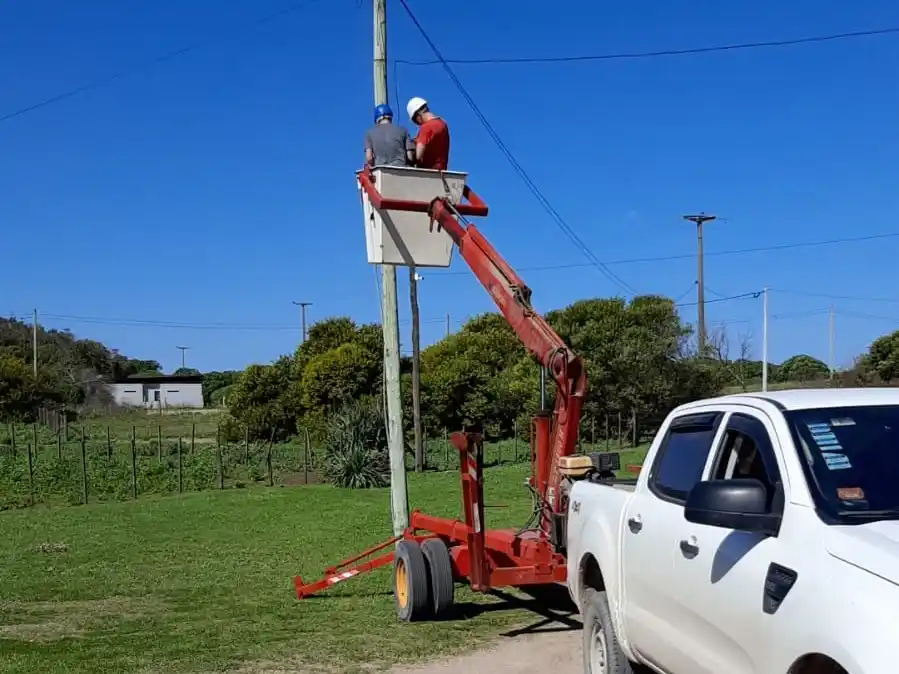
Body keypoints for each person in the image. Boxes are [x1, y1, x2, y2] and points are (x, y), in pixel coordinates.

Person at [406, 96, 450, 170]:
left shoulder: (426, 128)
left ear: (418, 115)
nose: (418, 124)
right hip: (442, 172)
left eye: (415, 121)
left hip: (428, 174)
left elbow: (418, 155)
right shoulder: (443, 124)